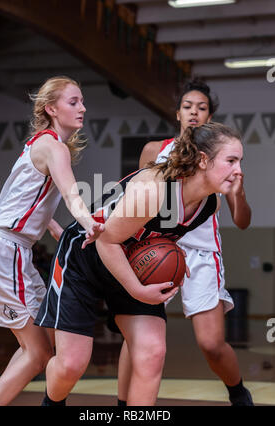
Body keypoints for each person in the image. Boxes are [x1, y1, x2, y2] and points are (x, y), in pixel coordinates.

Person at [35, 121, 244, 406]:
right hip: (86, 259)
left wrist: (176, 268)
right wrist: (136, 289)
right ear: (204, 160)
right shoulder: (155, 190)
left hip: (133, 263)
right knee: (71, 364)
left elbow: (167, 241)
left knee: (152, 352)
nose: (239, 170)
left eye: (240, 161)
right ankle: (52, 403)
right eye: (231, 160)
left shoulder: (210, 205)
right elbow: (106, 242)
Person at [117, 79, 253, 406]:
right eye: (188, 106)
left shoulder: (223, 159)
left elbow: (243, 221)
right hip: (156, 250)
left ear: (210, 117)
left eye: (202, 108)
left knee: (211, 344)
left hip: (201, 252)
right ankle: (122, 406)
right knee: (135, 336)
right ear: (177, 113)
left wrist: (239, 190)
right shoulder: (154, 151)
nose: (194, 112)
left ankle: (238, 393)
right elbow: (135, 202)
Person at [0, 76, 104, 406]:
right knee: (37, 351)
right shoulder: (52, 147)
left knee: (40, 348)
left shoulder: (38, 145)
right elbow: (71, 193)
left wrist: (58, 231)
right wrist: (89, 223)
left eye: (82, 101)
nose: (82, 108)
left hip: (9, 248)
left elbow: (24, 201)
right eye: (73, 102)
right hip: (5, 250)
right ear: (51, 108)